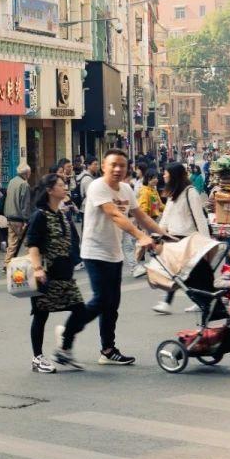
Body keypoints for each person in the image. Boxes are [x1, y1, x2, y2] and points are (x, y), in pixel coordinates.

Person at [53, 148, 161, 369]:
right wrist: (140, 236)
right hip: (95, 252)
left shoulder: (126, 189)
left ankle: (108, 350)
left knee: (112, 305)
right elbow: (113, 213)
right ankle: (66, 336)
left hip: (114, 253)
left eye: (122, 165)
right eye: (114, 165)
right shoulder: (97, 186)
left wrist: (164, 233)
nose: (118, 169)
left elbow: (141, 215)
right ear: (104, 166)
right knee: (101, 300)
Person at [24, 174, 85, 374]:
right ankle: (37, 358)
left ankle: (64, 347)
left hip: (65, 274)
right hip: (47, 274)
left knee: (80, 310)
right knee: (41, 315)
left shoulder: (62, 214)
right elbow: (32, 244)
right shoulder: (39, 215)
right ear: (50, 190)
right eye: (61, 185)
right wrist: (38, 269)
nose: (65, 187)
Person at [153, 162, 212, 315]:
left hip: (188, 241)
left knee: (183, 275)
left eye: (166, 173)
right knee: (179, 274)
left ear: (174, 175)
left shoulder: (190, 192)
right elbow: (165, 218)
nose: (164, 175)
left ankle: (171, 302)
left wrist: (206, 244)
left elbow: (200, 219)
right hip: (172, 240)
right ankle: (200, 301)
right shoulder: (172, 193)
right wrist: (157, 234)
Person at [2, 163, 32, 265]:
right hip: (19, 218)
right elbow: (25, 204)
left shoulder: (11, 181)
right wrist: (26, 220)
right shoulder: (24, 184)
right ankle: (33, 263)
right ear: (27, 173)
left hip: (10, 216)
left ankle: (7, 264)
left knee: (12, 243)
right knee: (29, 241)